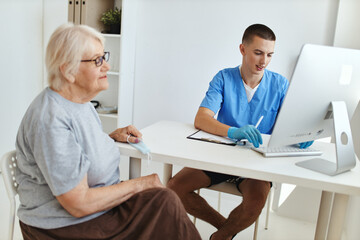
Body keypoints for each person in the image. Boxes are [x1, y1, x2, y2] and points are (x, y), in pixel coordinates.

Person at [15, 23, 201, 240]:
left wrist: (109, 139)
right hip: (63, 226)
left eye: (104, 56)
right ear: (69, 71)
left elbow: (76, 148)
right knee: (163, 203)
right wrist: (140, 184)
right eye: (97, 60)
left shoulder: (80, 102)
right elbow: (78, 204)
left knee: (163, 201)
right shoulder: (50, 119)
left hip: (95, 214)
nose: (106, 65)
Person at [167, 24, 313, 240]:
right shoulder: (223, 78)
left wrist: (302, 136)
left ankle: (219, 237)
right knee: (174, 188)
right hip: (220, 156)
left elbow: (293, 122)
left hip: (257, 162)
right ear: (243, 49)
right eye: (258, 52)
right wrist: (234, 131)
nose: (264, 61)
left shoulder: (280, 84)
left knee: (256, 202)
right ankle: (225, 230)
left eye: (270, 54)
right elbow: (201, 119)